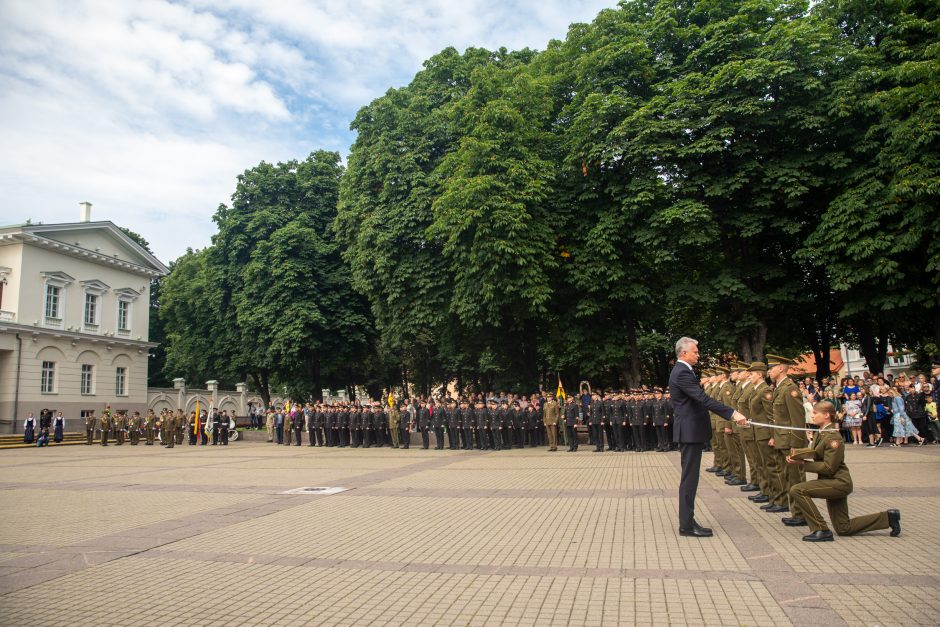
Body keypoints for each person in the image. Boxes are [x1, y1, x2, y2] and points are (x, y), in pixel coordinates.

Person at [785, 401, 900, 541]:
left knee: (797, 490)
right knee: (844, 528)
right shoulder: (821, 433)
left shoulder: (833, 437)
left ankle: (821, 529)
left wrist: (802, 464)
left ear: (827, 415)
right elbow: (816, 452)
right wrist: (797, 454)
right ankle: (888, 518)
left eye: (815, 413)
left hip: (838, 482)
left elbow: (829, 467)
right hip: (830, 482)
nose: (812, 416)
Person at [669, 337, 747, 538]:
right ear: (684, 353)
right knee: (689, 479)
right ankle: (686, 525)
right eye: (695, 351)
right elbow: (702, 398)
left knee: (691, 478)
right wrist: (732, 414)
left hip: (690, 431)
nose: (698, 354)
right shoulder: (682, 372)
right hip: (689, 431)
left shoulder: (684, 371)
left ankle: (687, 521)